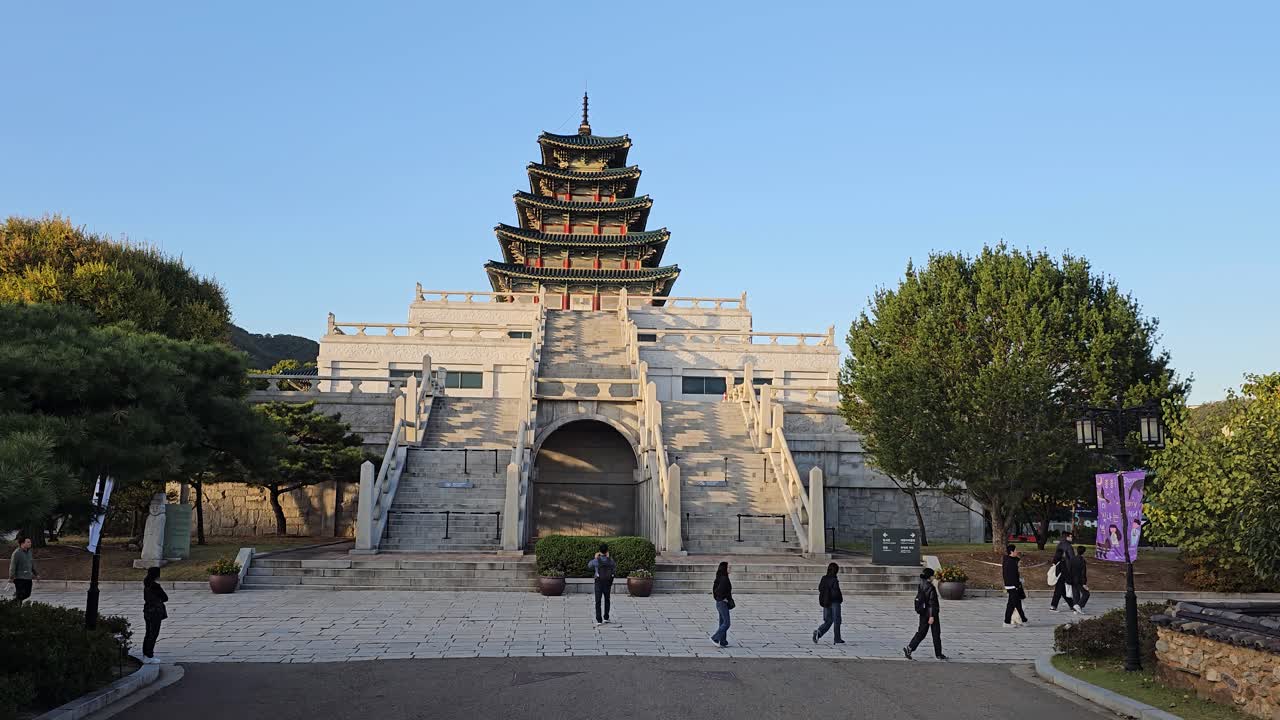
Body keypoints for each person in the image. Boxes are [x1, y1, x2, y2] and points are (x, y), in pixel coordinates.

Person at [903, 568, 946, 660]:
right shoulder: (931, 587)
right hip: (931, 614)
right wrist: (931, 616)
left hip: (923, 613)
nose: (934, 577)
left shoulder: (921, 584)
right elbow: (931, 603)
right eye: (933, 575)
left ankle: (910, 648)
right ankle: (938, 654)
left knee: (921, 633)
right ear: (930, 576)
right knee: (936, 634)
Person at [813, 562, 844, 644]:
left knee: (828, 620)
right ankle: (837, 638)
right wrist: (840, 599)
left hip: (826, 602)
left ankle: (819, 632)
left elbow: (820, 588)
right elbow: (836, 592)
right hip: (834, 602)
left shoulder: (824, 578)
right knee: (837, 620)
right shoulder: (834, 580)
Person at [142, 567, 168, 663]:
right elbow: (165, 598)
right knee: (153, 634)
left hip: (147, 611)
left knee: (148, 633)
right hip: (155, 612)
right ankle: (149, 655)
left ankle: (145, 654)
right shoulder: (155, 586)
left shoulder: (146, 584)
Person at [587, 543, 616, 626]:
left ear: (599, 551)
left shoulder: (596, 560)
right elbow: (614, 567)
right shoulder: (610, 560)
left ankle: (599, 619)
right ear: (607, 551)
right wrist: (608, 557)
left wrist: (595, 557)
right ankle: (606, 618)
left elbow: (589, 565)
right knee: (607, 599)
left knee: (598, 601)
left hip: (598, 582)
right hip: (607, 583)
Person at [1050, 531, 1079, 613]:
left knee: (1062, 589)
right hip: (1066, 569)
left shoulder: (1060, 544)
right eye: (1070, 536)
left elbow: (1056, 556)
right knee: (1059, 588)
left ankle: (1071, 604)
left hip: (1059, 568)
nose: (1071, 538)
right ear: (1067, 537)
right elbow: (1072, 559)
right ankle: (1053, 606)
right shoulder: (1069, 546)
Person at [1002, 544, 1028, 628]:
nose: (1017, 551)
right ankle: (1006, 622)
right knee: (1011, 605)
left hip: (1012, 585)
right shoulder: (1010, 562)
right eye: (1016, 550)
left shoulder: (1009, 560)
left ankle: (1024, 620)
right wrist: (1017, 585)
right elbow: (1012, 575)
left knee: (1017, 604)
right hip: (1012, 586)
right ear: (1011, 552)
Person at [710, 561, 733, 648]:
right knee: (727, 623)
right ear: (724, 568)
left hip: (719, 603)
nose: (730, 569)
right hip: (722, 603)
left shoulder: (720, 577)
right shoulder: (724, 578)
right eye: (728, 567)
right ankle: (715, 638)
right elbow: (719, 591)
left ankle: (722, 641)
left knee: (722, 622)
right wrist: (724, 598)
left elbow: (715, 590)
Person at [8, 535, 37, 602]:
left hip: (28, 577)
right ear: (22, 543)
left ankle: (14, 602)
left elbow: (31, 563)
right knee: (21, 595)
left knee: (27, 594)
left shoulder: (29, 552)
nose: (30, 543)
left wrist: (36, 573)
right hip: (19, 578)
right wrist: (11, 577)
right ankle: (16, 606)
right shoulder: (16, 553)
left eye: (30, 542)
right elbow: (13, 566)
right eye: (28, 542)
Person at [1071, 545, 1091, 611]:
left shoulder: (1072, 559)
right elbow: (1083, 573)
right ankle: (1079, 605)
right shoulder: (1082, 560)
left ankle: (1075, 610)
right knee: (1086, 594)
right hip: (1079, 580)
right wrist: (1084, 583)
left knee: (1075, 594)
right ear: (1084, 552)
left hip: (1072, 579)